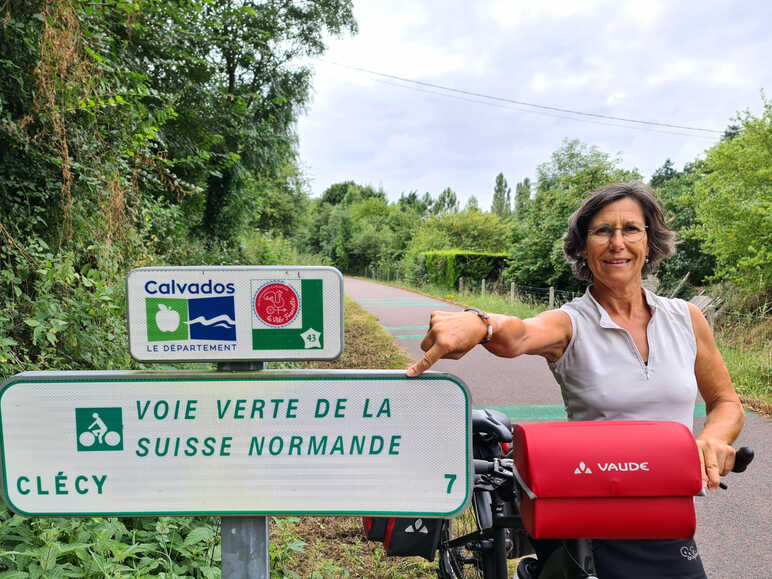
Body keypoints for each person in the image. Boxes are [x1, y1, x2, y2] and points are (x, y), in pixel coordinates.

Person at [406, 182, 745, 578]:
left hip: (667, 510)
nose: (617, 243)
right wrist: (479, 322)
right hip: (594, 507)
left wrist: (714, 440)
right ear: (583, 248)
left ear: (650, 243)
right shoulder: (571, 323)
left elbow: (726, 402)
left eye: (631, 229)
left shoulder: (686, 319)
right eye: (602, 231)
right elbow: (519, 334)